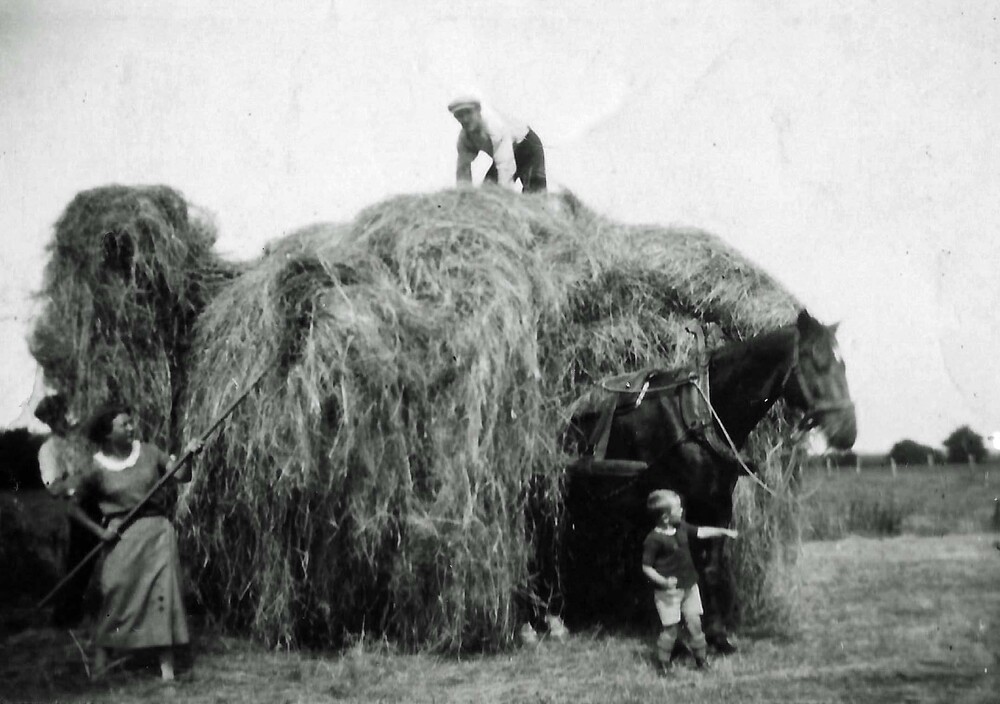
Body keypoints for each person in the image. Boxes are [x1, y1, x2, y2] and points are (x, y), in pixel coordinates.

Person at [63, 403, 201, 681]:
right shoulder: (95, 468)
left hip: (158, 535)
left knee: (162, 597)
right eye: (123, 424)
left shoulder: (149, 452)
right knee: (117, 594)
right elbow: (72, 508)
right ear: (107, 433)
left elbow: (180, 476)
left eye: (130, 422)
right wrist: (100, 532)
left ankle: (167, 669)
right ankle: (101, 664)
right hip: (122, 538)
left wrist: (189, 456)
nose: (131, 428)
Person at [641, 489, 738, 672]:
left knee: (695, 624)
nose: (682, 510)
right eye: (678, 508)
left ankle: (701, 660)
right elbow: (646, 568)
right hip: (668, 593)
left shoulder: (682, 527)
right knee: (671, 630)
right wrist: (663, 581)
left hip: (690, 587)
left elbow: (701, 531)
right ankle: (663, 664)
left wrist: (723, 531)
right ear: (665, 517)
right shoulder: (654, 540)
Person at [35, 394, 101, 628]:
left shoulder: (80, 440)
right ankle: (66, 614)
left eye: (62, 413)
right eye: (54, 417)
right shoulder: (49, 449)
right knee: (80, 561)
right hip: (80, 505)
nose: (61, 419)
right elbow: (54, 488)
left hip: (101, 498)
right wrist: (80, 480)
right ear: (48, 421)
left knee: (98, 557)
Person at [448, 96, 547, 193]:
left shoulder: (494, 127)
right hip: (504, 153)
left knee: (535, 191)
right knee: (487, 192)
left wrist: (502, 195)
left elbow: (505, 164)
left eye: (468, 113)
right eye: (459, 115)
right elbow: (463, 170)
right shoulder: (464, 139)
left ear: (478, 111)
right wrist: (463, 196)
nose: (465, 119)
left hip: (527, 147)